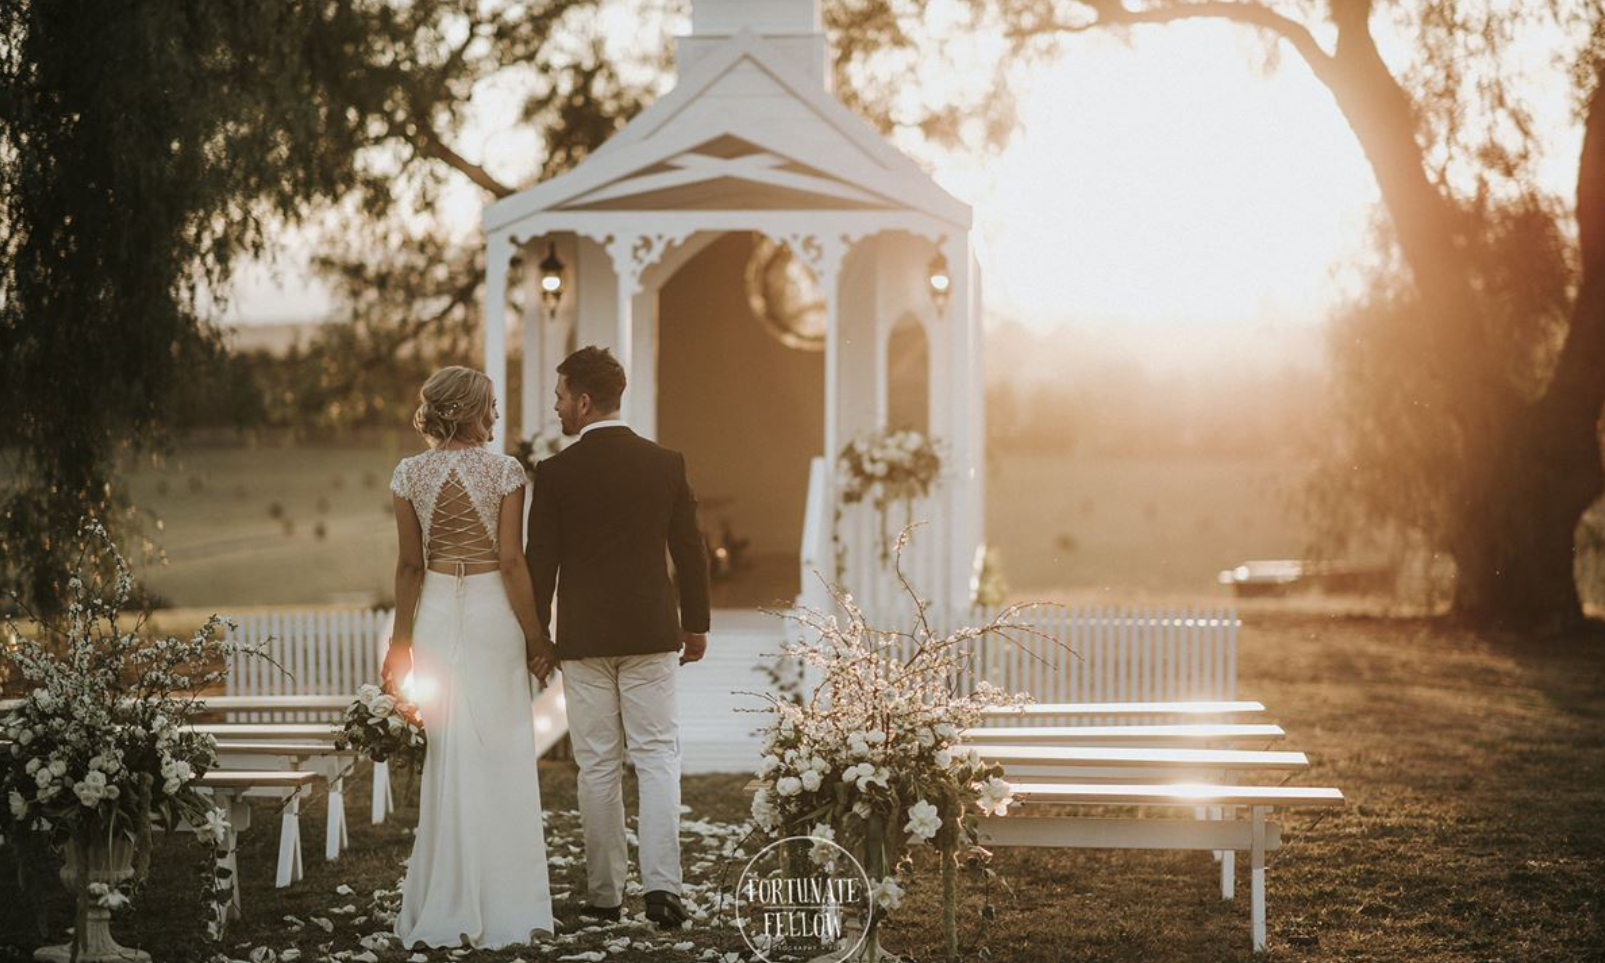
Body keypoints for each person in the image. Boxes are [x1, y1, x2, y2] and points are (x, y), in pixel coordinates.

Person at [525, 346, 711, 929]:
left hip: (582, 639)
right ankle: (663, 890)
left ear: (583, 401)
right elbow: (691, 551)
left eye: (560, 397)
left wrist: (538, 637)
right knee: (657, 759)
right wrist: (696, 623)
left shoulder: (555, 474)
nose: (556, 408)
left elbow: (540, 564)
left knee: (597, 766)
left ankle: (605, 895)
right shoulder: (666, 463)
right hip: (652, 633)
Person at [381, 365, 555, 948]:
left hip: (434, 612)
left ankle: (446, 894)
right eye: (491, 405)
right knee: (503, 747)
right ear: (470, 409)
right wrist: (536, 636)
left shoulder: (409, 475)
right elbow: (511, 562)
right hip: (490, 615)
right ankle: (508, 901)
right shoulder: (505, 472)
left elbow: (409, 567)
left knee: (448, 750)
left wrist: (398, 647)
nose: (497, 416)